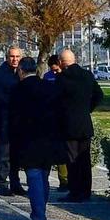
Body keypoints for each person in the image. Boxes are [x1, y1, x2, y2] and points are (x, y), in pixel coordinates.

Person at [9, 57, 66, 220]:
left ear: (21, 71)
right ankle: (41, 211)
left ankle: (39, 218)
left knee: (33, 178)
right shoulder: (50, 87)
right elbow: (60, 112)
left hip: (28, 140)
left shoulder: (18, 90)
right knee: (44, 176)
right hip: (48, 138)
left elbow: (13, 119)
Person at [56, 49, 104, 202]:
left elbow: (56, 101)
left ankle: (75, 191)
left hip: (68, 124)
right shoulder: (87, 75)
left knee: (72, 158)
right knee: (84, 159)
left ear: (61, 62)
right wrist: (87, 109)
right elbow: (99, 95)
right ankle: (86, 190)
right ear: (74, 59)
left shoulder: (62, 78)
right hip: (84, 122)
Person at [0, 47, 25, 196]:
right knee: (4, 155)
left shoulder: (22, 72)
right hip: (4, 119)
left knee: (17, 154)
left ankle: (15, 182)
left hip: (19, 120)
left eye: (17, 56)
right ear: (7, 57)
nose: (15, 59)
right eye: (12, 56)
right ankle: (2, 184)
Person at [43, 54, 68, 192]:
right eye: (52, 70)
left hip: (63, 118)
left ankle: (65, 180)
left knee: (63, 152)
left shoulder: (65, 78)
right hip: (50, 117)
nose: (54, 72)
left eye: (56, 70)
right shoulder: (47, 77)